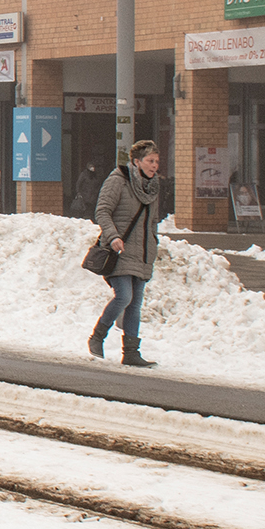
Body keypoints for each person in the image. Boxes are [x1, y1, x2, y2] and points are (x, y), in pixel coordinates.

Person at [90, 140, 162, 367]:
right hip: (119, 250)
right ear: (136, 161)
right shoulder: (118, 181)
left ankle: (131, 352)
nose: (154, 166)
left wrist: (153, 242)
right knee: (124, 296)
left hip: (142, 253)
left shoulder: (152, 187)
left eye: (157, 161)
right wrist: (113, 237)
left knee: (135, 303)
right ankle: (97, 336)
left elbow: (153, 221)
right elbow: (102, 211)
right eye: (150, 161)